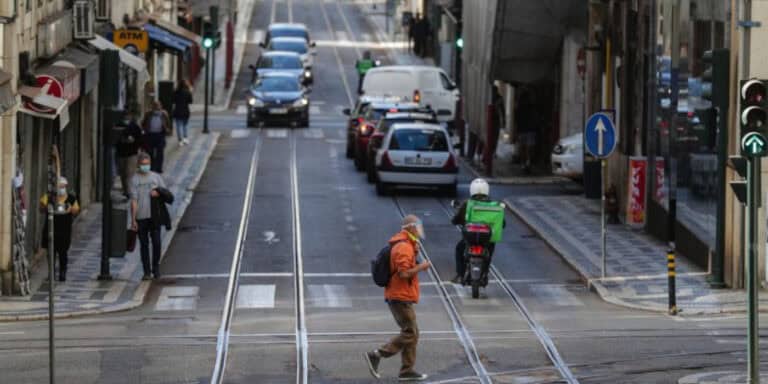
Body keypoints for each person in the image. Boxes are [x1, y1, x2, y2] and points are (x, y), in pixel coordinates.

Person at [364, 215, 431, 381]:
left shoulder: (407, 244)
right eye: (417, 226)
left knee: (412, 332)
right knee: (410, 333)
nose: (420, 230)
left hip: (401, 295)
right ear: (410, 228)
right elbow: (403, 273)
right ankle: (377, 354)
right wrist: (421, 267)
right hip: (399, 296)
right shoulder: (404, 247)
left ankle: (407, 370)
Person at [451, 178, 505, 283]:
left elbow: (456, 219)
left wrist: (457, 221)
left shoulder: (467, 204)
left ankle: (460, 274)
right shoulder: (494, 205)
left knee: (459, 249)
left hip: (470, 238)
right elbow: (502, 223)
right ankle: (485, 272)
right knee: (490, 250)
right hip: (487, 239)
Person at [130, 153, 172, 280]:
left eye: (147, 164)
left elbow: (166, 194)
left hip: (155, 216)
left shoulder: (156, 177)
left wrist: (158, 192)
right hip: (141, 217)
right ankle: (146, 271)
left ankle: (156, 267)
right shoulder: (134, 179)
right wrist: (133, 220)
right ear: (138, 165)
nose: (145, 166)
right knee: (144, 244)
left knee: (157, 242)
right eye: (143, 164)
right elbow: (133, 200)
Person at [39, 177, 80, 282]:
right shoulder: (49, 197)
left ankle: (63, 272)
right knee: (51, 253)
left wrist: (71, 209)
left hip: (64, 231)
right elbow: (41, 208)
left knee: (63, 253)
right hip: (51, 229)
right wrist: (46, 206)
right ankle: (51, 273)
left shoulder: (71, 198)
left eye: (63, 187)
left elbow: (76, 210)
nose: (61, 188)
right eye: (59, 187)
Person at [116, 111, 144, 199]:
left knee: (129, 173)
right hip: (121, 153)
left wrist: (134, 142)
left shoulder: (135, 127)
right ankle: (126, 190)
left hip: (132, 153)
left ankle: (129, 192)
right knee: (122, 174)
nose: (127, 116)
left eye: (128, 114)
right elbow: (115, 139)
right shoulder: (118, 125)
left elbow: (140, 139)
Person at [141, 100, 171, 173]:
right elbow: (143, 123)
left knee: (160, 152)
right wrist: (144, 130)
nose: (156, 108)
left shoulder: (164, 114)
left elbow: (168, 123)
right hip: (150, 135)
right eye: (154, 106)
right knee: (150, 152)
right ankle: (152, 167)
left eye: (158, 106)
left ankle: (159, 168)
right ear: (152, 107)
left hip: (160, 135)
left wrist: (167, 130)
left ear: (161, 106)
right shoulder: (148, 114)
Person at [514, 90, 536, 174]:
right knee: (529, 148)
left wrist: (516, 132)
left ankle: (525, 163)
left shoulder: (518, 108)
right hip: (530, 130)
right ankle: (527, 162)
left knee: (523, 148)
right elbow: (535, 117)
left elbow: (516, 121)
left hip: (522, 130)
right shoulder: (531, 107)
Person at [172, 80, 193, 146]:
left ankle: (180, 140)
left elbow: (173, 101)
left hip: (177, 110)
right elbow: (190, 101)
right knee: (185, 125)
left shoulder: (176, 92)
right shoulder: (188, 92)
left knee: (178, 126)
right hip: (185, 110)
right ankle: (185, 138)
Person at [489, 85, 506, 158]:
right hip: (490, 119)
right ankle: (491, 151)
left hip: (495, 119)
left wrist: (504, 120)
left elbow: (502, 110)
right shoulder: (489, 97)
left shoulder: (499, 98)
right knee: (491, 136)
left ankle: (493, 151)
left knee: (495, 137)